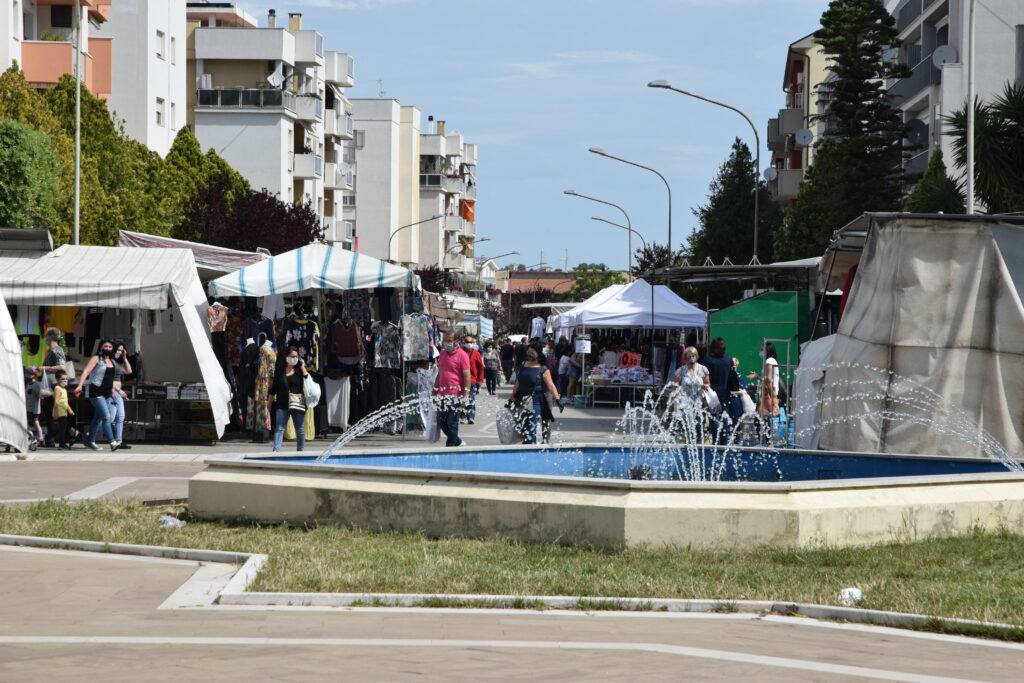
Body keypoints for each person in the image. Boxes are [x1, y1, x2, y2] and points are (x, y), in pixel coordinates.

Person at [512, 341, 560, 445]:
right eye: (528, 351)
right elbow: (518, 383)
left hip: (536, 399)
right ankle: (527, 443)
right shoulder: (523, 364)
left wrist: (557, 399)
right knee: (522, 424)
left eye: (532, 352)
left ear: (538, 353)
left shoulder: (543, 368)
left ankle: (534, 445)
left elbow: (551, 385)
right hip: (521, 399)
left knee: (532, 423)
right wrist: (511, 397)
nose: (529, 353)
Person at [75, 339, 119, 451]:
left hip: (107, 393)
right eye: (105, 346)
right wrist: (80, 385)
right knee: (107, 417)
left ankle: (90, 440)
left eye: (110, 347)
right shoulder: (96, 359)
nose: (107, 349)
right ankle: (112, 442)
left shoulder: (113, 361)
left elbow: (112, 378)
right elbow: (86, 371)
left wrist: (112, 391)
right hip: (96, 392)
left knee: (97, 419)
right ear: (100, 347)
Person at [269, 346, 309, 452]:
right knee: (279, 428)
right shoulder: (279, 371)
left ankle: (300, 451)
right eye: (292, 356)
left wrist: (303, 367)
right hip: (282, 404)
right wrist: (269, 403)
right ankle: (276, 451)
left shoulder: (300, 371)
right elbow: (273, 388)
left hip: (297, 404)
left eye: (296, 356)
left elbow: (308, 382)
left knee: (299, 429)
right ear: (286, 357)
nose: (294, 359)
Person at [434, 331, 470, 447]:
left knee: (452, 423)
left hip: (456, 395)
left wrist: (465, 396)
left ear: (456, 342)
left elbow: (467, 376)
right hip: (443, 394)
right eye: (445, 341)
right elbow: (440, 374)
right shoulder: (443, 353)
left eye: (449, 341)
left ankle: (450, 448)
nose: (446, 343)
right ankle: (458, 442)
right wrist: (434, 391)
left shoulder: (462, 355)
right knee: (442, 423)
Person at [704, 337, 733, 443]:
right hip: (725, 392)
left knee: (715, 418)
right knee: (724, 418)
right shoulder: (728, 359)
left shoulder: (708, 360)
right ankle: (724, 441)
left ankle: (716, 442)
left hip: (712, 393)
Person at [40, 327, 67, 446]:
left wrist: (45, 368)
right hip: (51, 385)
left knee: (52, 411)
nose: (45, 338)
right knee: (50, 411)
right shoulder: (53, 350)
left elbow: (62, 367)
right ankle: (51, 437)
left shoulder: (56, 350)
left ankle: (53, 437)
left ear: (50, 337)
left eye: (46, 336)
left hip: (53, 386)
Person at [108, 343, 133, 450]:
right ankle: (88, 434)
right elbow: (109, 380)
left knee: (120, 417)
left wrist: (125, 357)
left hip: (118, 393)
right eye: (118, 350)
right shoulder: (108, 362)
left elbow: (129, 371)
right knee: (110, 418)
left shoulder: (117, 362)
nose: (119, 352)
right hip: (112, 392)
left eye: (121, 351)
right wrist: (119, 390)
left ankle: (119, 440)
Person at [462, 335, 484, 424]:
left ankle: (470, 417)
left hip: (473, 380)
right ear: (464, 343)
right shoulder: (460, 352)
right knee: (462, 399)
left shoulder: (476, 353)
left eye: (470, 342)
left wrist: (480, 379)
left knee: (471, 398)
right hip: (461, 381)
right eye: (467, 342)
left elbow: (480, 368)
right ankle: (463, 416)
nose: (469, 344)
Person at [52, 369, 77, 449]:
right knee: (62, 429)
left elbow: (65, 402)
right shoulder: (57, 389)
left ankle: (61, 441)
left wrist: (70, 410)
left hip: (64, 412)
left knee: (64, 427)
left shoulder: (64, 389)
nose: (65, 380)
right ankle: (61, 444)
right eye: (63, 379)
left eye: (66, 379)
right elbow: (56, 402)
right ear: (57, 380)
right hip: (59, 412)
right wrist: (56, 413)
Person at [24, 368, 44, 444]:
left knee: (36, 421)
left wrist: (38, 393)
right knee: (27, 422)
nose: (26, 375)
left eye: (27, 374)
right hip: (28, 407)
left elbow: (41, 396)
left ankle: (40, 437)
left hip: (35, 408)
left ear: (32, 375)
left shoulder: (36, 385)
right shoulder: (28, 385)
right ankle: (31, 435)